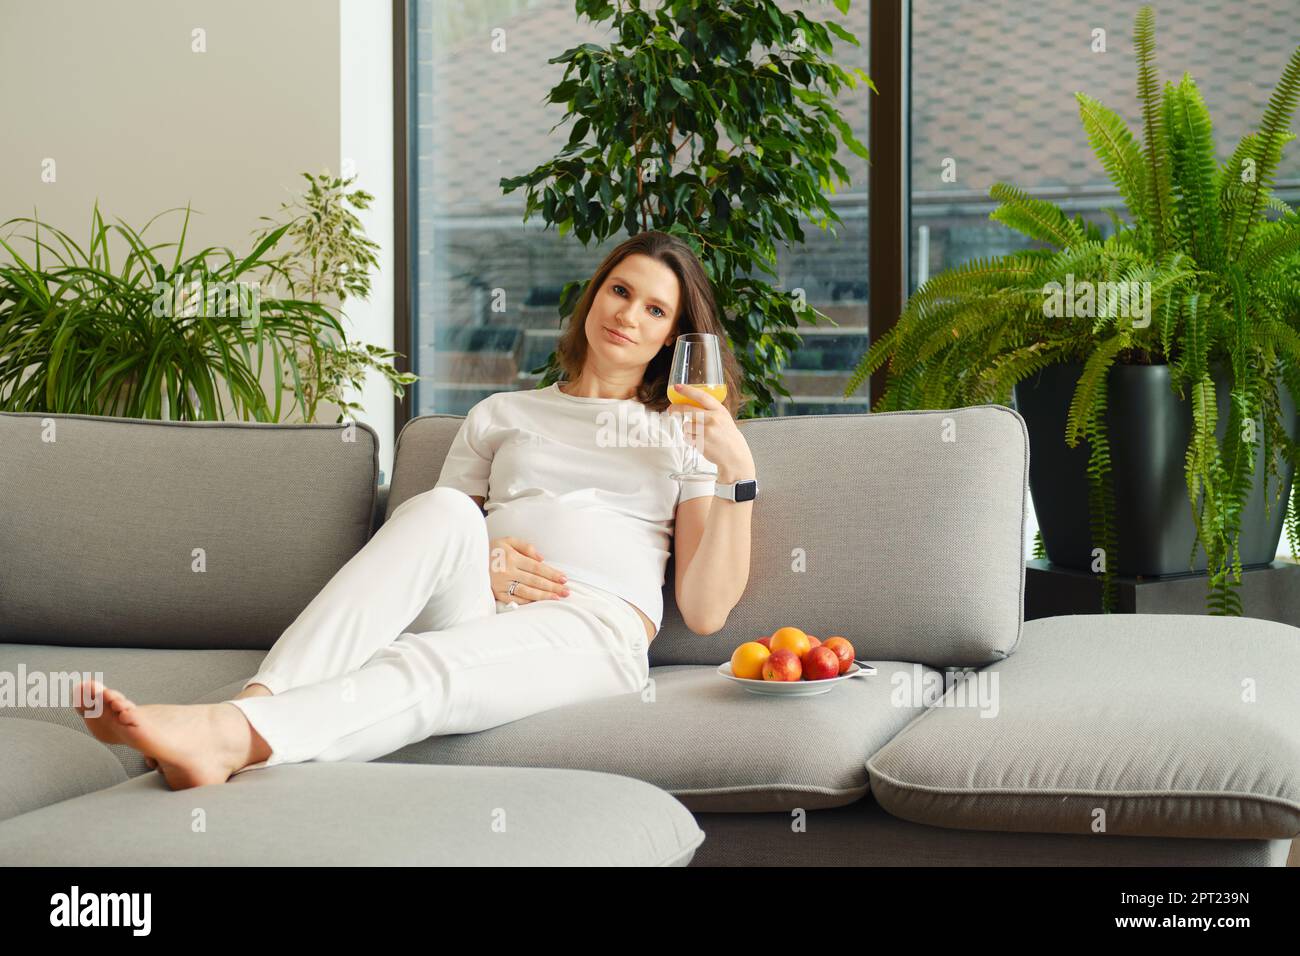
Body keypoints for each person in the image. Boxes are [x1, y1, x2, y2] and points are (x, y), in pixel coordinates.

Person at [73, 230, 758, 791]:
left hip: (592, 626)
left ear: (672, 338)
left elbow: (702, 610)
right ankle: (256, 704)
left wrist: (738, 473)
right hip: (483, 602)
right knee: (441, 510)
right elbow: (437, 545)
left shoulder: (683, 431)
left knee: (422, 664)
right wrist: (489, 557)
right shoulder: (501, 413)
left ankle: (227, 735)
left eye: (654, 310)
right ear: (594, 295)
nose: (627, 315)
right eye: (620, 290)